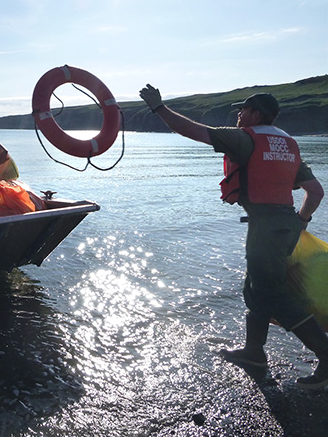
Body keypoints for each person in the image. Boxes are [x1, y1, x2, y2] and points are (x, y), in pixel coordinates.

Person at [139, 84, 328, 389]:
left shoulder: (245, 138)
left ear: (255, 113)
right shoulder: (289, 145)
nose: (239, 114)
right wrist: (300, 222)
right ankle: (254, 352)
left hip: (267, 228)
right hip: (281, 225)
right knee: (255, 289)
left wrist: (158, 107)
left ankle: (326, 355)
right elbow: (315, 192)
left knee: (274, 294)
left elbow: (194, 130)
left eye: (243, 110)